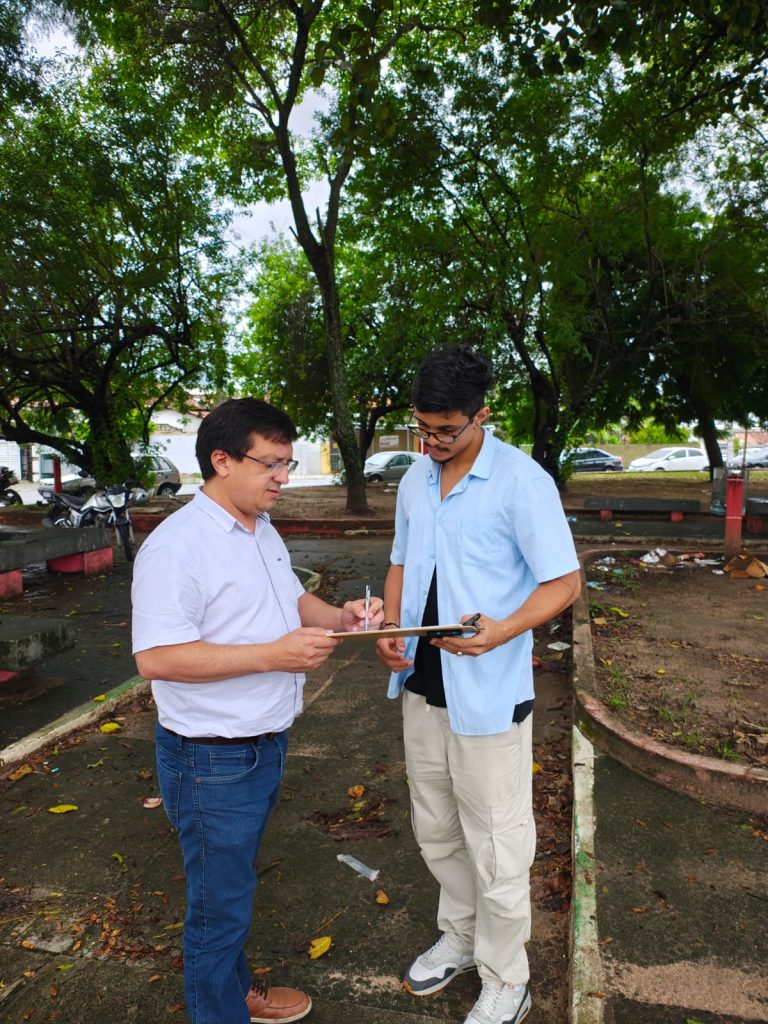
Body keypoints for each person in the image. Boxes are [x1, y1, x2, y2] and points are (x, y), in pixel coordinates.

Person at [131, 397, 382, 1024]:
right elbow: (156, 658)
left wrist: (342, 617)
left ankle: (234, 991)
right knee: (218, 908)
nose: (283, 478)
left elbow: (291, 600)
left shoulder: (259, 527)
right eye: (270, 463)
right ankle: (219, 1011)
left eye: (287, 463)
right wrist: (274, 655)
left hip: (262, 743)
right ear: (222, 460)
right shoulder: (176, 548)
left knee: (231, 891)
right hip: (210, 759)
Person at [376, 346, 580, 1024]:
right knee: (436, 827)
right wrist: (391, 626)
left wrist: (504, 629)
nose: (431, 442)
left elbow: (564, 582)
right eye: (422, 428)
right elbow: (400, 563)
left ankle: (506, 978)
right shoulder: (415, 479)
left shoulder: (521, 481)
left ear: (481, 415)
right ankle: (460, 938)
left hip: (489, 690)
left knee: (496, 844)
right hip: (421, 686)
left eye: (445, 430)